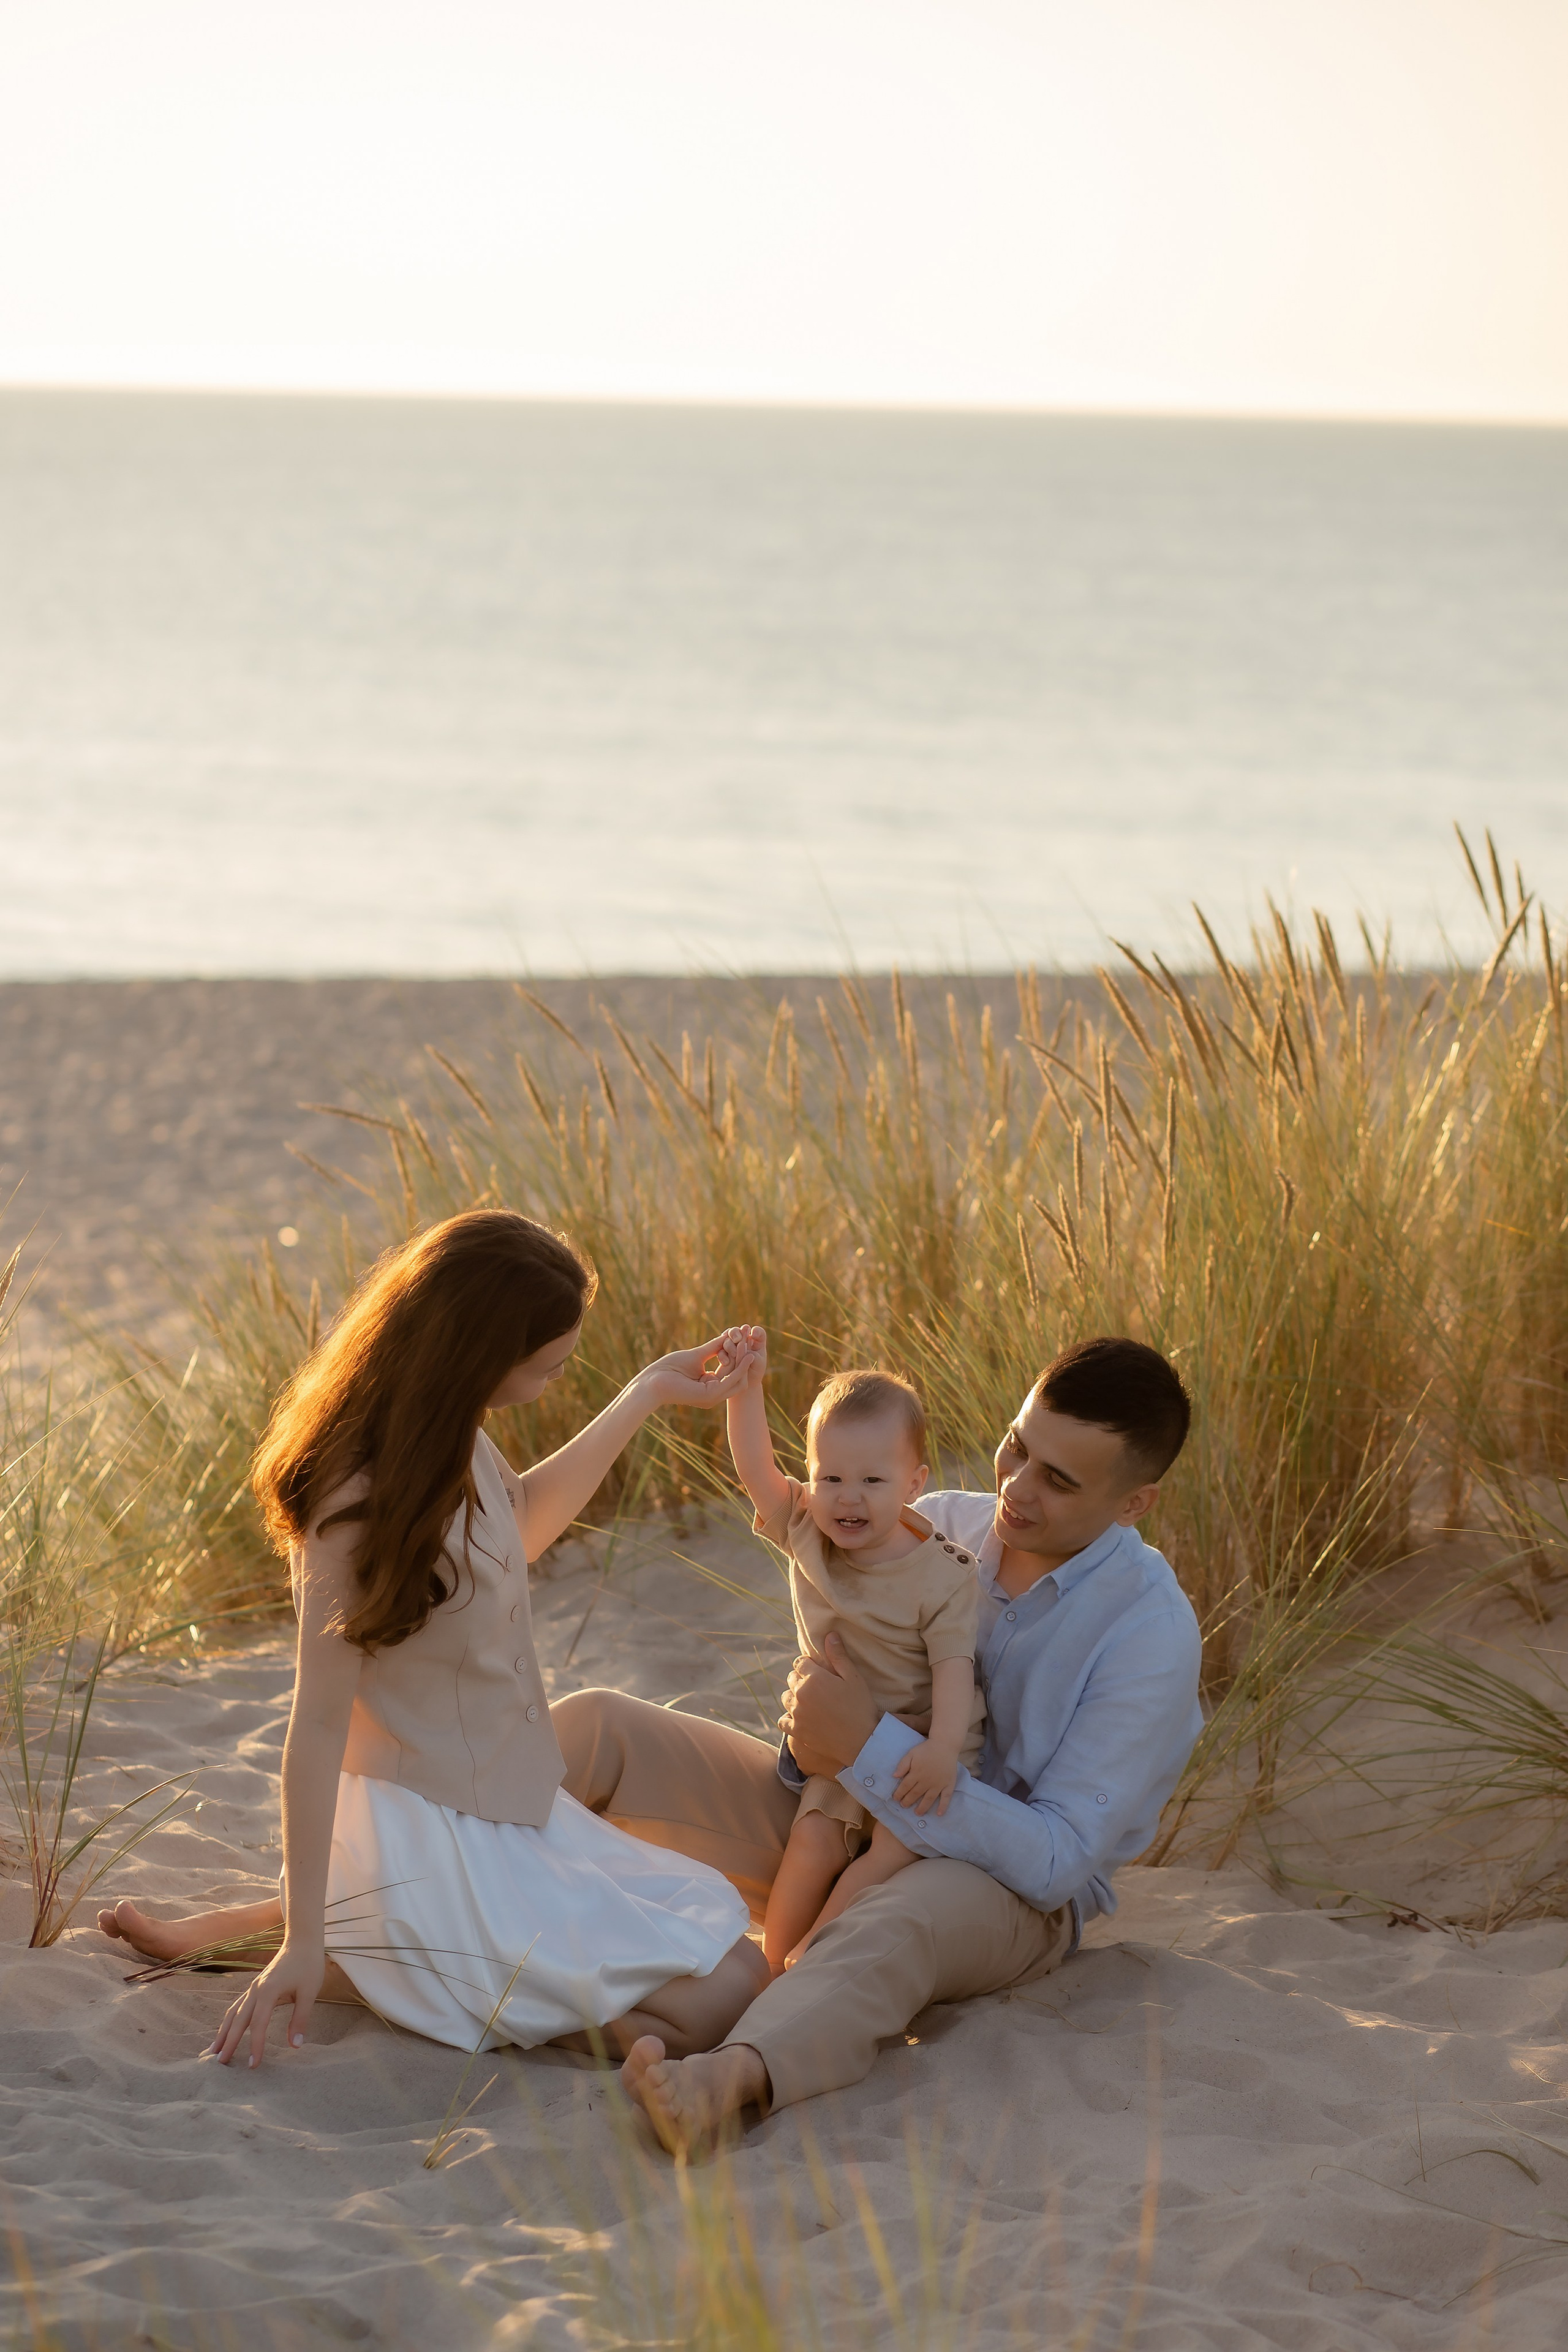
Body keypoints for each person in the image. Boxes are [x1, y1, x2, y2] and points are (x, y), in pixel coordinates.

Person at [100, 1208, 771, 2071]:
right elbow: (313, 1730)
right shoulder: (350, 1501)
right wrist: (303, 1940)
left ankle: (358, 1944)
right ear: (480, 1356)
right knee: (705, 2008)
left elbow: (517, 1523)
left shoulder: (447, 1435)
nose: (561, 1372)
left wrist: (645, 1393)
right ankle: (352, 1948)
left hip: (503, 1810)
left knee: (740, 1958)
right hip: (436, 1840)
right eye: (550, 1361)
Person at [579, 1334, 1205, 2153]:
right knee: (605, 1729)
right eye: (1019, 1445)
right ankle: (403, 1887)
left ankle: (726, 2077)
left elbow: (1058, 1861)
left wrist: (868, 1746)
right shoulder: (937, 1523)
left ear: (1135, 1504)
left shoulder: (1148, 1632)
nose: (1016, 1485)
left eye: (1059, 1479)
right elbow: (807, 1563)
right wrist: (821, 1719)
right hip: (842, 1810)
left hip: (998, 1893)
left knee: (899, 1920)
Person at [722, 1343, 986, 1969]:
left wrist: (942, 1749)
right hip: (840, 1748)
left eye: (872, 1481)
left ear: (914, 1484)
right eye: (830, 1478)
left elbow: (955, 1669)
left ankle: (813, 1953)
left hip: (920, 1744)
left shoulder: (944, 1574)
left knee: (890, 1851)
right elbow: (755, 1468)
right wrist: (745, 1389)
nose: (847, 1498)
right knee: (812, 1839)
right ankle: (772, 1966)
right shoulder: (806, 1528)